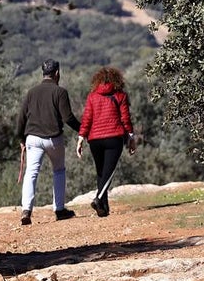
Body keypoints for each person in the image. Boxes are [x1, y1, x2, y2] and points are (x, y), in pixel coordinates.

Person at [15, 59, 81, 225]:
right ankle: (59, 210)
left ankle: (26, 211)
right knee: (59, 171)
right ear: (57, 73)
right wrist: (83, 129)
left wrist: (21, 139)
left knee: (31, 172)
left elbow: (21, 119)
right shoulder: (60, 92)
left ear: (43, 73)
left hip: (33, 138)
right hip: (53, 139)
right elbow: (68, 118)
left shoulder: (31, 92)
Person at [75, 66, 136, 217]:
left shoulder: (92, 96)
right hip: (114, 139)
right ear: (117, 80)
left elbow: (87, 118)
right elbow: (125, 119)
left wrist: (81, 138)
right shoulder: (120, 95)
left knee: (101, 172)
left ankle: (103, 208)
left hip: (95, 140)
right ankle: (98, 199)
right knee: (108, 173)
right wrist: (131, 137)